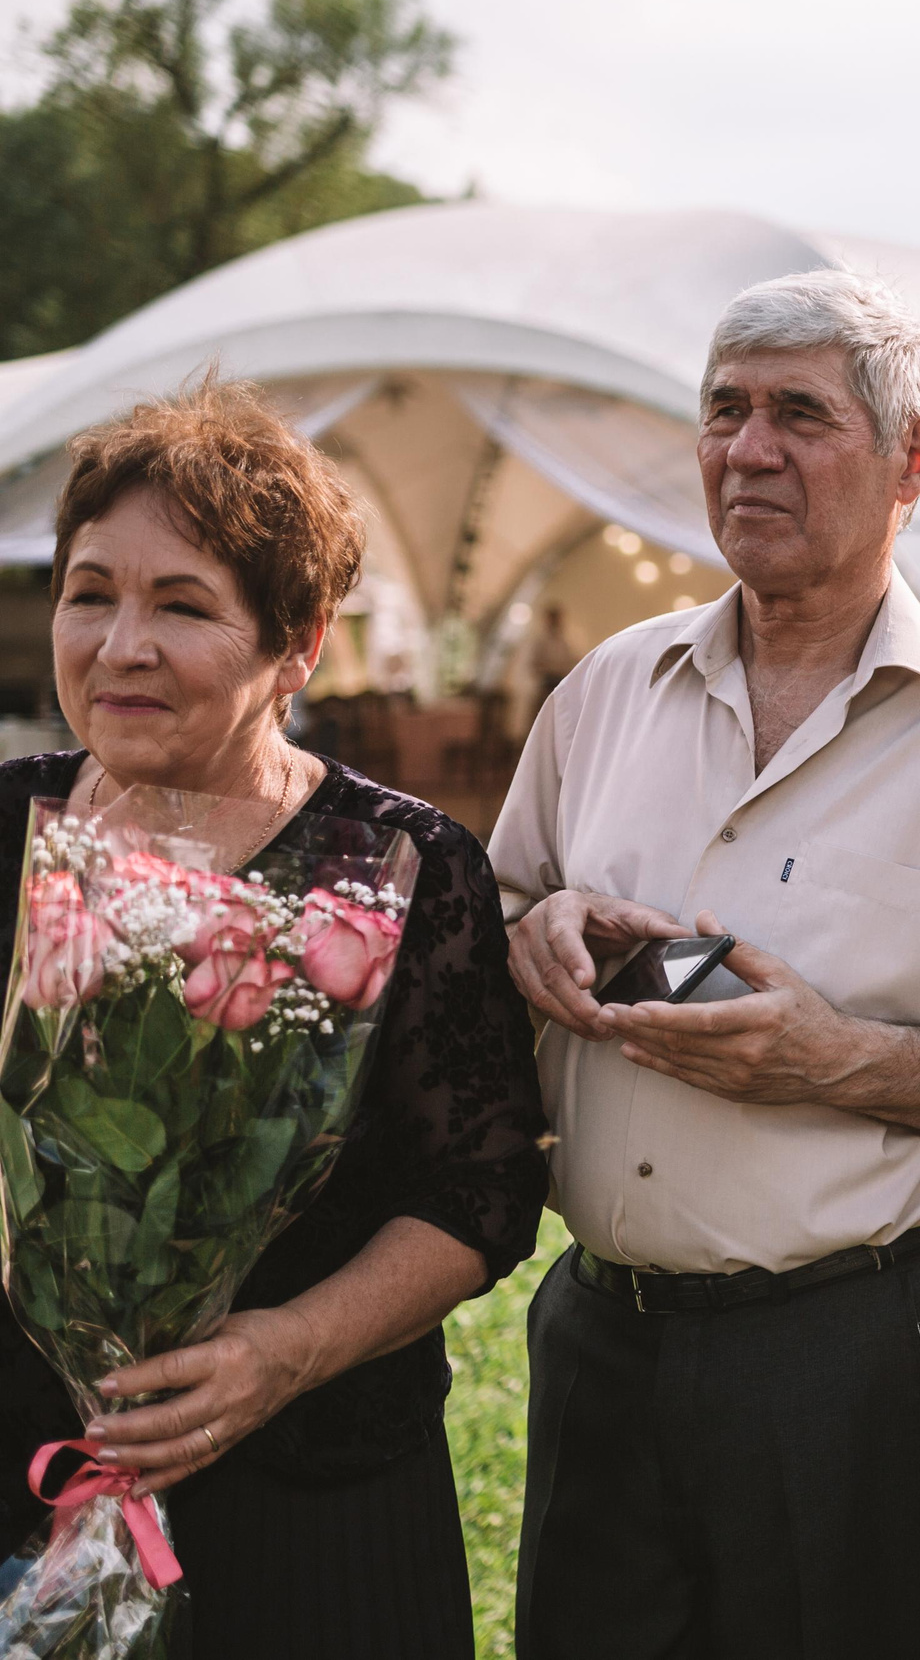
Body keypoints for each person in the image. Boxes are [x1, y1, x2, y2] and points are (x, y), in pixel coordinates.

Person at [490, 269, 920, 1660]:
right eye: (725, 410)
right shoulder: (608, 688)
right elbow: (508, 907)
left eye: (799, 414)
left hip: (849, 1353)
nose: (748, 449)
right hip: (599, 1335)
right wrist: (533, 929)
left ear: (912, 460)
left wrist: (836, 1057)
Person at [0, 378, 548, 1657]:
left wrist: (284, 1352)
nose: (120, 645)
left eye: (182, 606)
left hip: (313, 1486)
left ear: (297, 645)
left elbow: (480, 1192)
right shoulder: (9, 827)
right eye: (91, 592)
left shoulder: (403, 870)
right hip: (29, 1459)